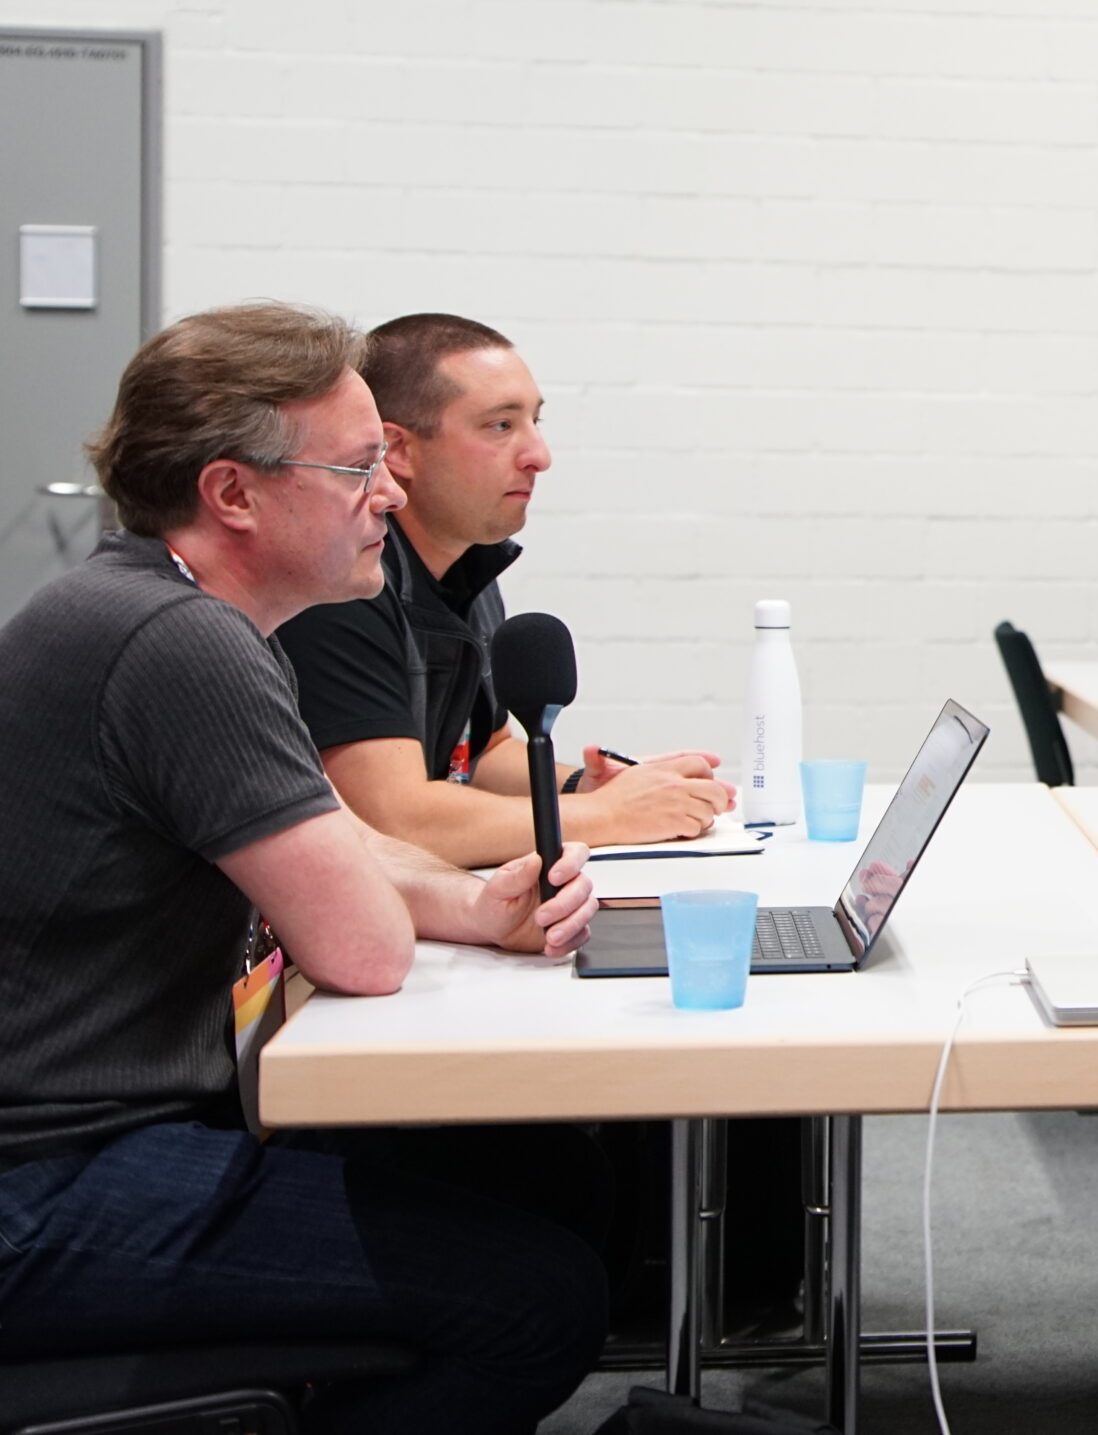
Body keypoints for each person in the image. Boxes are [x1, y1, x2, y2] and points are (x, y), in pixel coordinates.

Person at [0, 303, 607, 1433]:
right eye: (359, 466)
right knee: (539, 1299)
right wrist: (434, 904)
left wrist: (479, 904)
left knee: (517, 1186)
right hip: (45, 1181)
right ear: (233, 492)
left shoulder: (164, 608)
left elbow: (338, 840)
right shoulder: (181, 643)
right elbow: (364, 950)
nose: (389, 494)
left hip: (92, 1137)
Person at [275, 312, 730, 867]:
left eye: (535, 421)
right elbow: (395, 820)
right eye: (500, 426)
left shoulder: (464, 563)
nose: (540, 455)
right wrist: (611, 814)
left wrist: (584, 787)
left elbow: (482, 753)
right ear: (398, 450)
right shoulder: (345, 579)